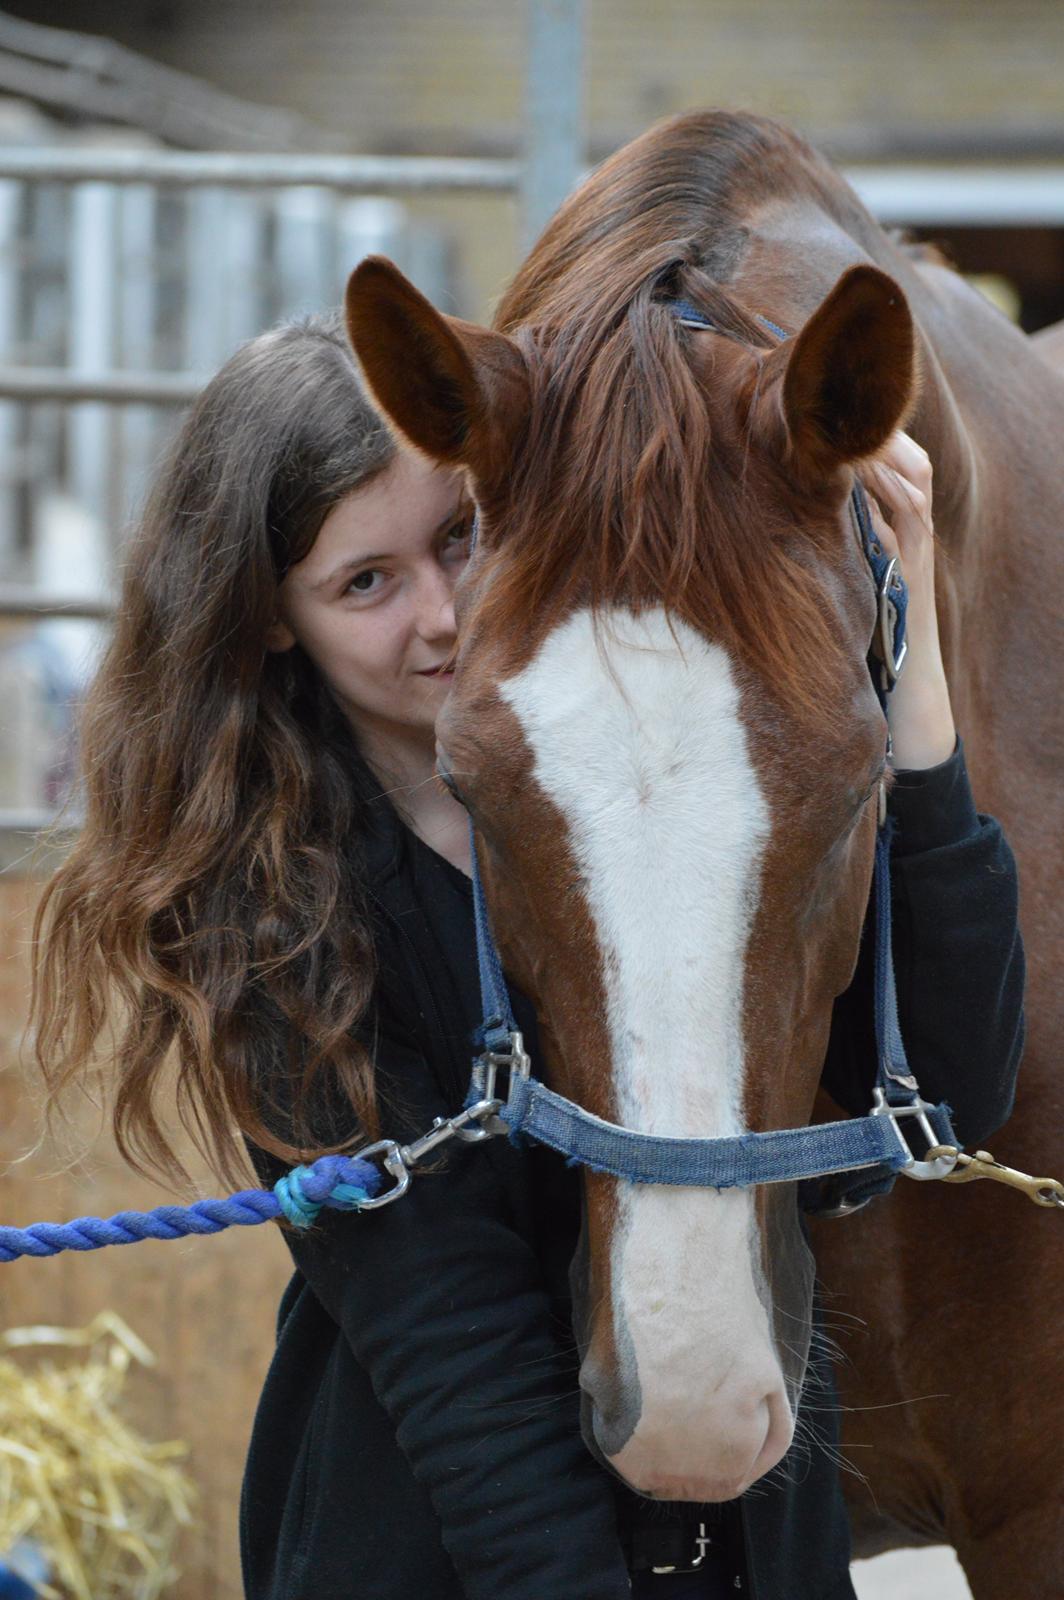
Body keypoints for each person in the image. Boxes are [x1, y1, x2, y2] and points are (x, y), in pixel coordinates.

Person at [29, 308, 1024, 1600]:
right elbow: (454, 1357)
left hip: (751, 1544)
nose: (442, 615)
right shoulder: (270, 911)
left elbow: (955, 1083)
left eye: (458, 539)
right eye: (365, 584)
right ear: (273, 617)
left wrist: (919, 687)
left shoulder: (658, 800)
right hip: (449, 1549)